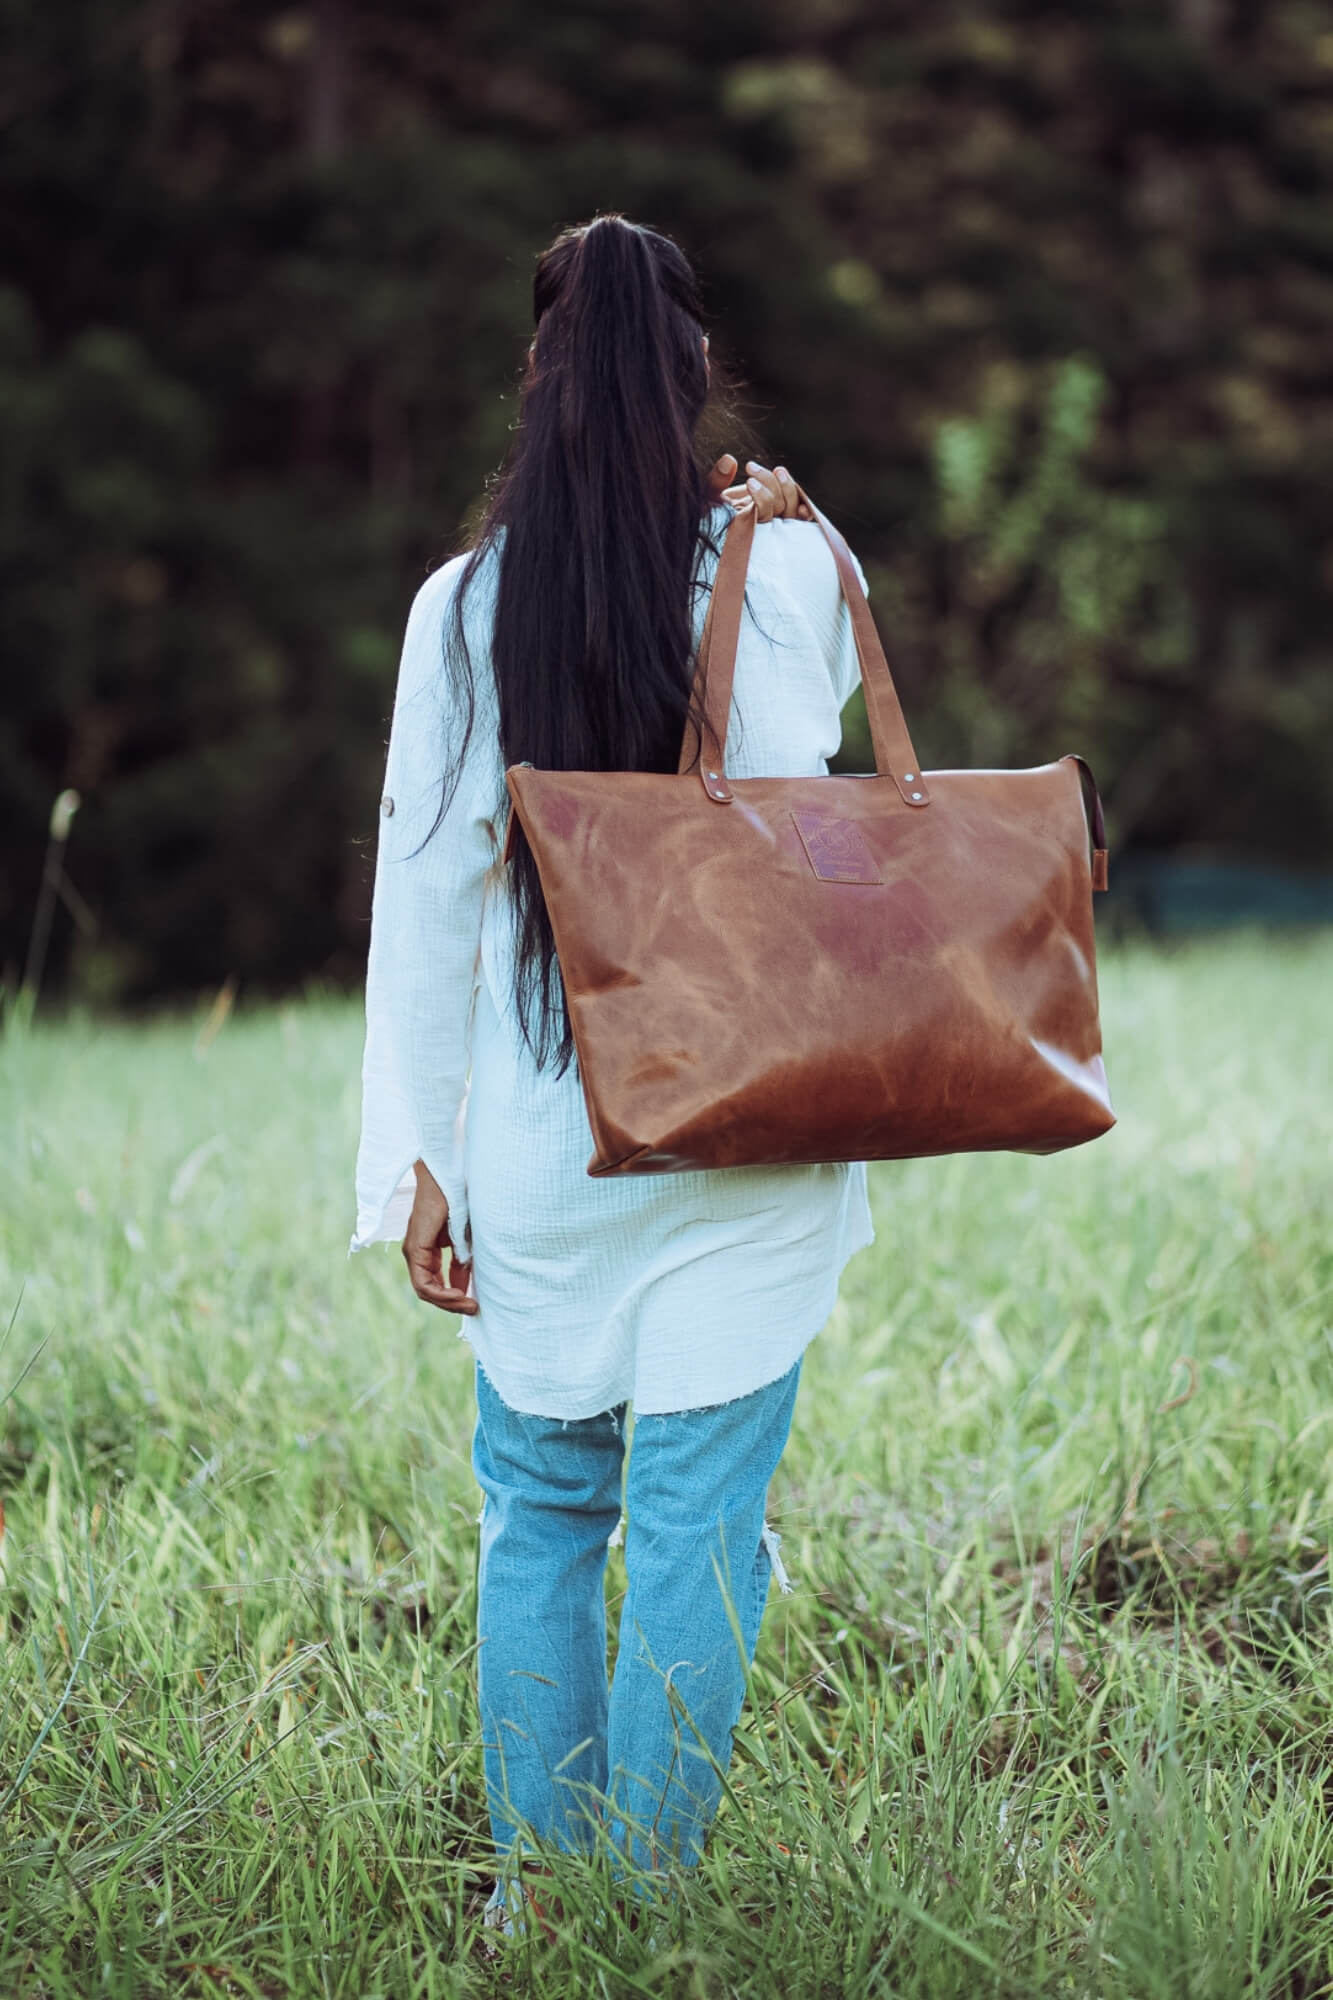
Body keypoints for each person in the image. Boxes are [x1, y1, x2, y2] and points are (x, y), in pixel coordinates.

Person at [351, 214, 874, 1927]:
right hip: (753, 1109)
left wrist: (411, 1161)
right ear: (688, 375)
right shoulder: (786, 563)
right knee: (702, 1527)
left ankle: (537, 1897)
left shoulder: (460, 607)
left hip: (549, 1131)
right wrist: (775, 522)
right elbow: (823, 802)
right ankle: (644, 1907)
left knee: (542, 1516)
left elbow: (426, 903)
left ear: (534, 376)